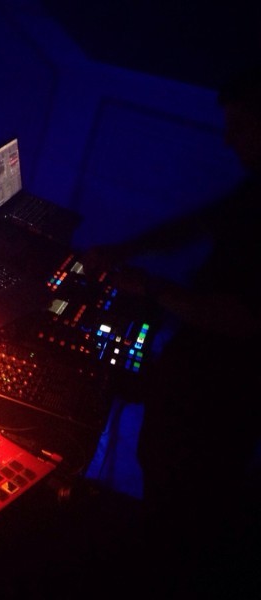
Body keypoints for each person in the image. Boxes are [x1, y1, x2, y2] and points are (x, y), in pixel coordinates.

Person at [80, 64, 261, 594]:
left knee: (185, 506)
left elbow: (245, 319)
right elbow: (196, 224)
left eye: (240, 125)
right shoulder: (253, 189)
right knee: (158, 470)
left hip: (225, 394)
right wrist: (125, 250)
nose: (228, 139)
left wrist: (152, 288)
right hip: (199, 371)